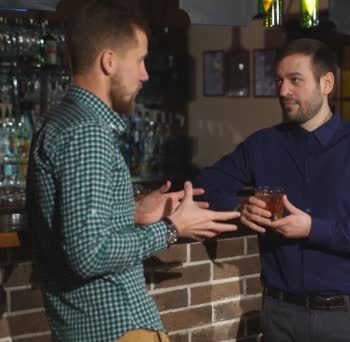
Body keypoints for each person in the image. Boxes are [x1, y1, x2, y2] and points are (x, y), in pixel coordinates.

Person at [25, 1, 240, 341]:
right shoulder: (87, 133)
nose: (145, 74)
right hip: (116, 329)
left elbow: (74, 228)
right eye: (139, 60)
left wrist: (134, 211)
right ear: (108, 61)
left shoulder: (58, 122)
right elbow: (88, 254)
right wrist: (172, 228)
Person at [193, 38, 350, 341]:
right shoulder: (262, 145)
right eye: (279, 80)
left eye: (295, 80)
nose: (282, 91)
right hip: (281, 316)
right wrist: (239, 208)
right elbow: (203, 186)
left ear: (326, 83)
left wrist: (313, 229)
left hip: (347, 318)